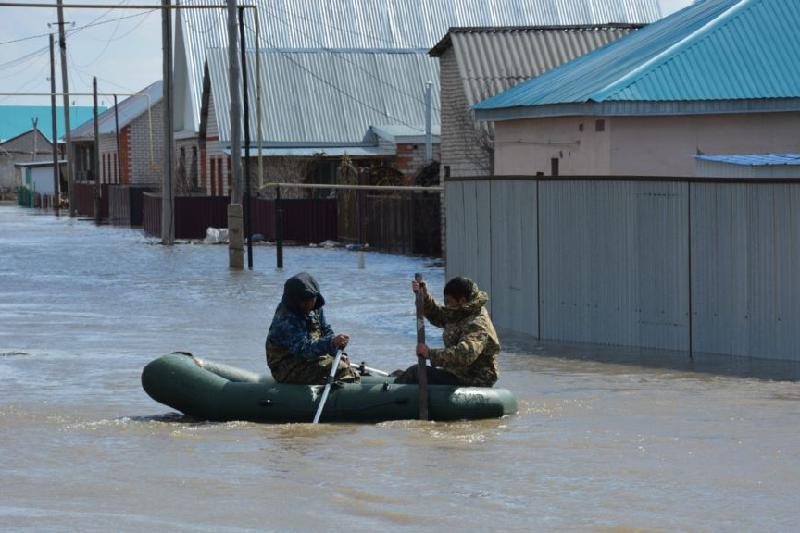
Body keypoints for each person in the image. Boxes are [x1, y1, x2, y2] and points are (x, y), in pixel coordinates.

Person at [394, 276, 500, 387]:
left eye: (449, 302)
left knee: (416, 372)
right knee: (398, 373)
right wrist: (424, 296)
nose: (447, 306)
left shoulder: (477, 323)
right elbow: (438, 315)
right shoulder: (460, 311)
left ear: (462, 301)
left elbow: (465, 355)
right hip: (457, 373)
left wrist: (430, 354)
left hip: (473, 379)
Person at [266, 272, 359, 384]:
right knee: (341, 370)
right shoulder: (286, 319)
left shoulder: (315, 307)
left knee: (345, 366)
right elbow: (303, 350)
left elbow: (325, 330)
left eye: (311, 300)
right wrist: (331, 343)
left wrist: (338, 352)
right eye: (303, 301)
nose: (308, 304)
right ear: (295, 300)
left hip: (310, 359)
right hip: (287, 367)